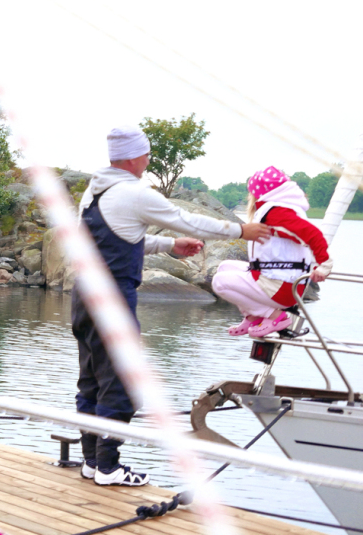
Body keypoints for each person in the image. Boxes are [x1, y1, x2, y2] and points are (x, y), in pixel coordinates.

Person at [73, 125, 272, 487]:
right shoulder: (134, 192)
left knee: (92, 379)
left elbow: (116, 237)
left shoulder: (95, 191)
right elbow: (187, 219)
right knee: (121, 380)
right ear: (134, 157)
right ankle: (108, 467)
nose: (148, 162)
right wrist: (241, 231)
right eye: (147, 155)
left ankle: (91, 461)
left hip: (83, 295)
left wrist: (169, 246)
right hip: (112, 298)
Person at [211, 166, 332, 337]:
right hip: (280, 281)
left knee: (219, 282)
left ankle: (276, 317)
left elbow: (313, 234)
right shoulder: (283, 209)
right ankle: (253, 316)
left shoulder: (277, 213)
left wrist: (324, 265)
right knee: (225, 266)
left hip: (281, 287)